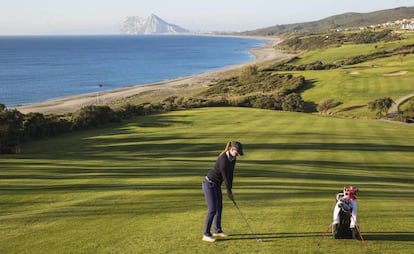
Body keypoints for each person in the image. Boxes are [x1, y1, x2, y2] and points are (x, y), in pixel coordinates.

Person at [202, 141, 244, 242]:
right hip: (209, 184)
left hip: (216, 185)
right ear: (231, 149)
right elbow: (225, 177)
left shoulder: (233, 159)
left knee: (219, 207)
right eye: (236, 153)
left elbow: (231, 175)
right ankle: (206, 234)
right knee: (212, 209)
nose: (237, 155)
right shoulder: (223, 160)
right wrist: (229, 192)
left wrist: (231, 190)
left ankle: (217, 230)